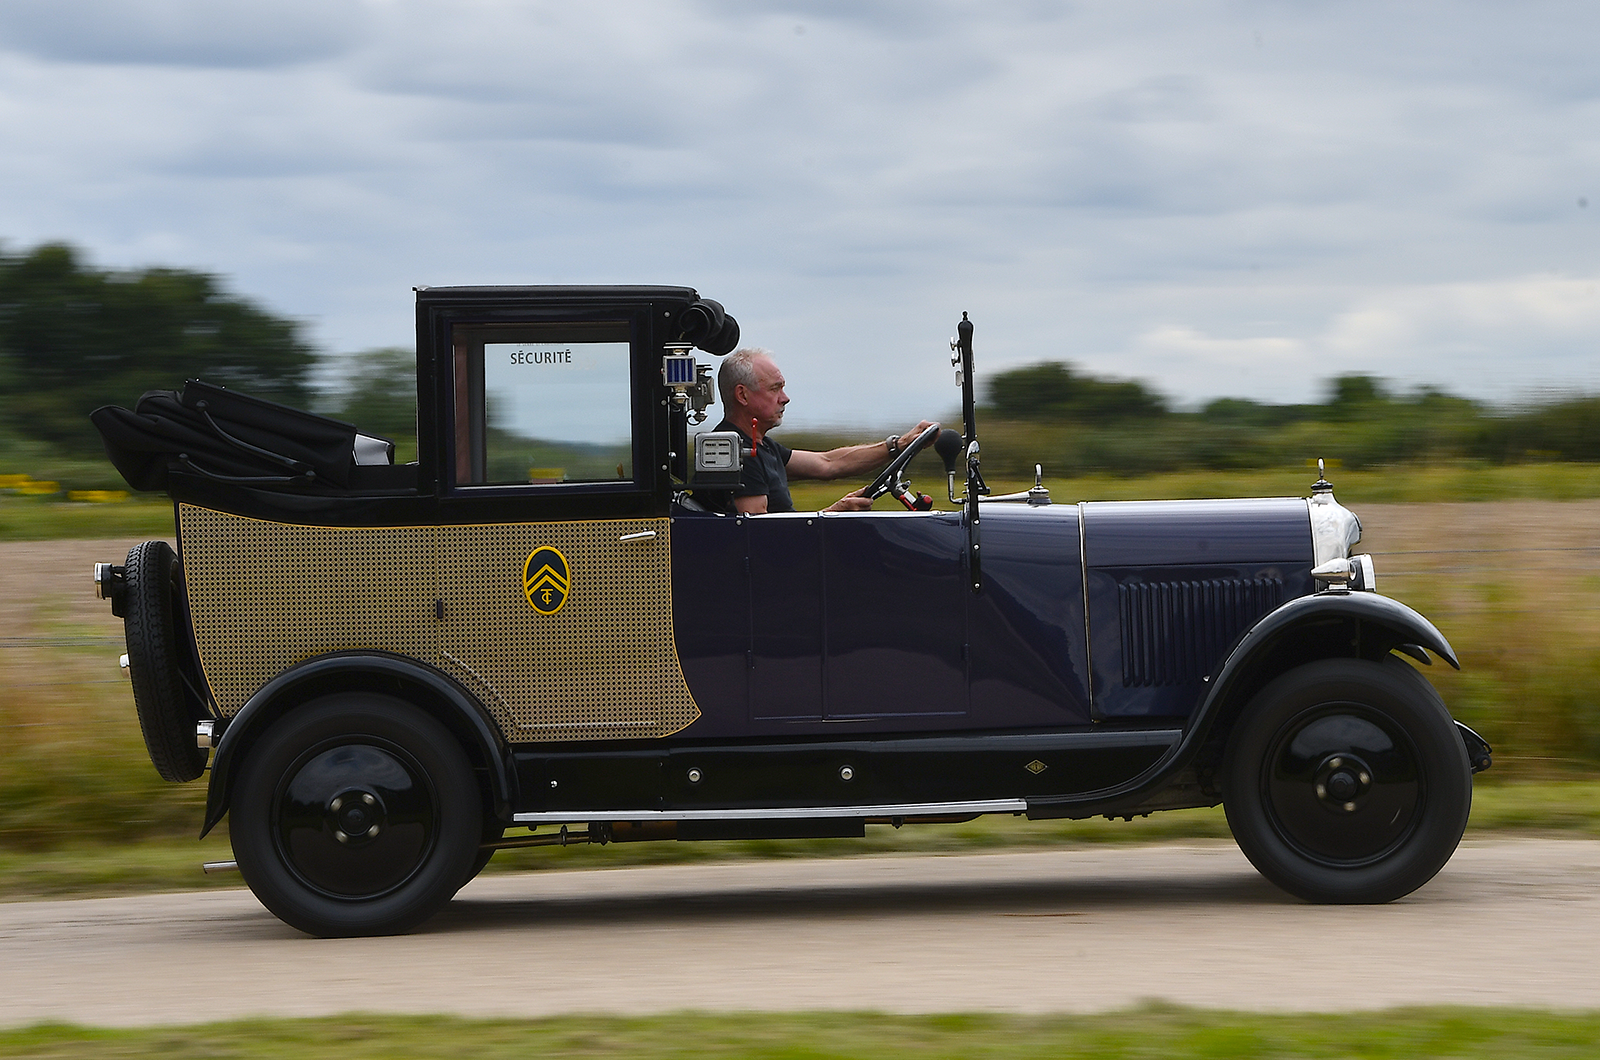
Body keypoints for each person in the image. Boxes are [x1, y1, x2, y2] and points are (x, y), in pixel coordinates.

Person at [700, 347, 937, 514]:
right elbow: (759, 535)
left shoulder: (761, 446)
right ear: (742, 395)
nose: (785, 398)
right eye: (775, 389)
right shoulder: (735, 452)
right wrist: (833, 513)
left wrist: (898, 445)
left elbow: (828, 463)